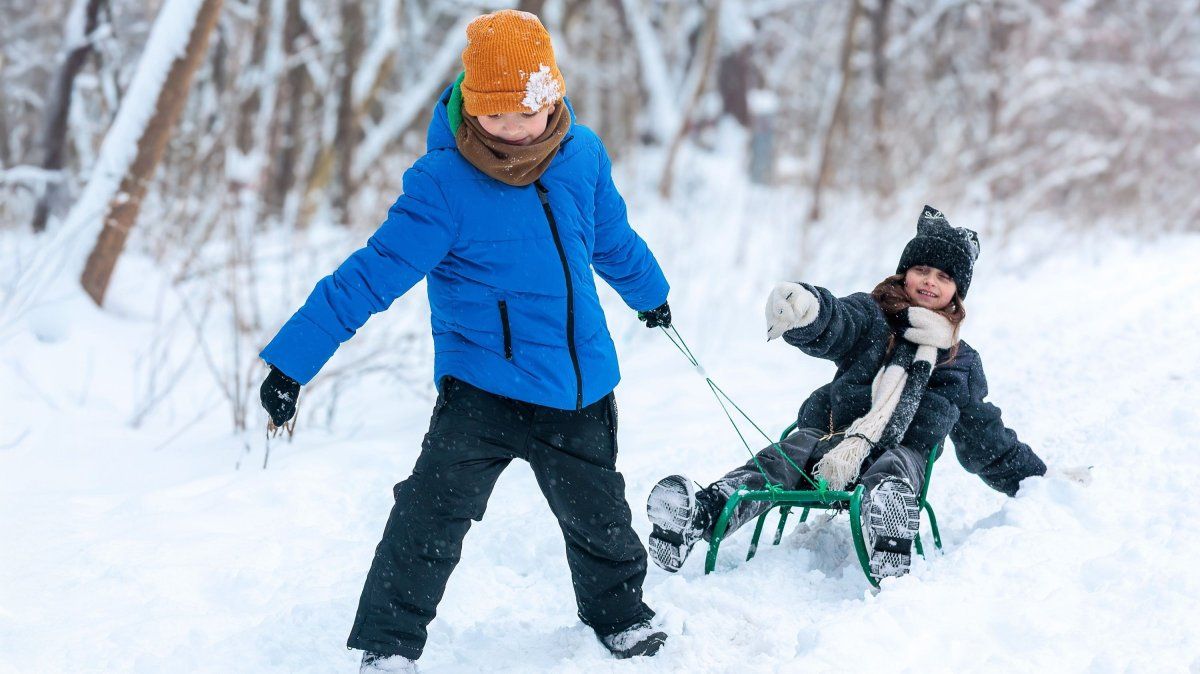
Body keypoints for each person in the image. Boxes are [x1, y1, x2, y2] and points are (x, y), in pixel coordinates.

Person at [257, 10, 672, 672]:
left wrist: (650, 293)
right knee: (427, 518)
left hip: (579, 384)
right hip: (481, 388)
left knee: (602, 522)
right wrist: (292, 362)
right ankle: (388, 645)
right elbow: (370, 275)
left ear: (553, 98)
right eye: (499, 116)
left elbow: (612, 237)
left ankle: (619, 616)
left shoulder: (583, 155)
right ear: (473, 108)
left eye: (529, 113)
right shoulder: (443, 184)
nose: (516, 130)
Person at [646, 206, 1083, 581]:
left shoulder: (958, 362)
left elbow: (986, 437)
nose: (929, 282)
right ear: (904, 273)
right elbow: (839, 323)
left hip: (900, 455)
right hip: (832, 442)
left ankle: (887, 530)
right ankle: (703, 512)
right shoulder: (874, 316)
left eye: (943, 276)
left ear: (957, 292)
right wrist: (810, 310)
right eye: (921, 270)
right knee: (784, 456)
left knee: (898, 464)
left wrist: (1037, 483)